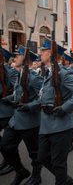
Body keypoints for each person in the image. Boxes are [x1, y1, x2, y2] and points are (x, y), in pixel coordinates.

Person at [38, 39, 73, 185]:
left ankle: (62, 180)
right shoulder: (48, 72)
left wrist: (65, 108)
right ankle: (65, 179)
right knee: (42, 157)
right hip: (46, 123)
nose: (40, 53)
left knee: (59, 163)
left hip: (61, 125)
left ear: (52, 54)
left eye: (43, 51)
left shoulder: (64, 73)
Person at [1, 46, 43, 185]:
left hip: (30, 121)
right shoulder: (20, 74)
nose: (15, 58)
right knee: (5, 146)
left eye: (18, 56)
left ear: (25, 59)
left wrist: (30, 106)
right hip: (16, 120)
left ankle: (37, 176)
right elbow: (17, 93)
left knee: (34, 153)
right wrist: (8, 99)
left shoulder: (34, 78)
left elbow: (44, 98)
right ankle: (20, 171)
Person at [0, 48, 18, 176]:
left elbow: (16, 90)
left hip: (7, 110)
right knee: (5, 143)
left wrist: (7, 98)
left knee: (8, 142)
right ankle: (7, 159)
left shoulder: (9, 72)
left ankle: (12, 163)